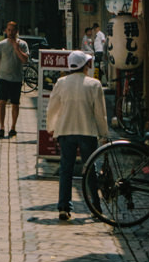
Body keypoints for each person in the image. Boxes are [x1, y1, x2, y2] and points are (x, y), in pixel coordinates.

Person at [45, 48, 109, 222]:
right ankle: (96, 206)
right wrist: (104, 133)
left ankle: (64, 206)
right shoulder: (94, 84)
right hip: (87, 131)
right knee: (90, 170)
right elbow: (99, 113)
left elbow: (52, 107)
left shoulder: (61, 83)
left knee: (66, 169)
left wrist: (51, 126)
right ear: (85, 65)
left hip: (65, 130)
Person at [0, 19, 29, 137]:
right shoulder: (1, 45)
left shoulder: (23, 44)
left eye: (12, 30)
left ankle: (13, 127)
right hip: (3, 77)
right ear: (6, 31)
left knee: (15, 103)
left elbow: (25, 60)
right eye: (8, 30)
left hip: (16, 78)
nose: (10, 32)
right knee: (2, 102)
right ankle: (1, 127)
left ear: (17, 31)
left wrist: (17, 49)